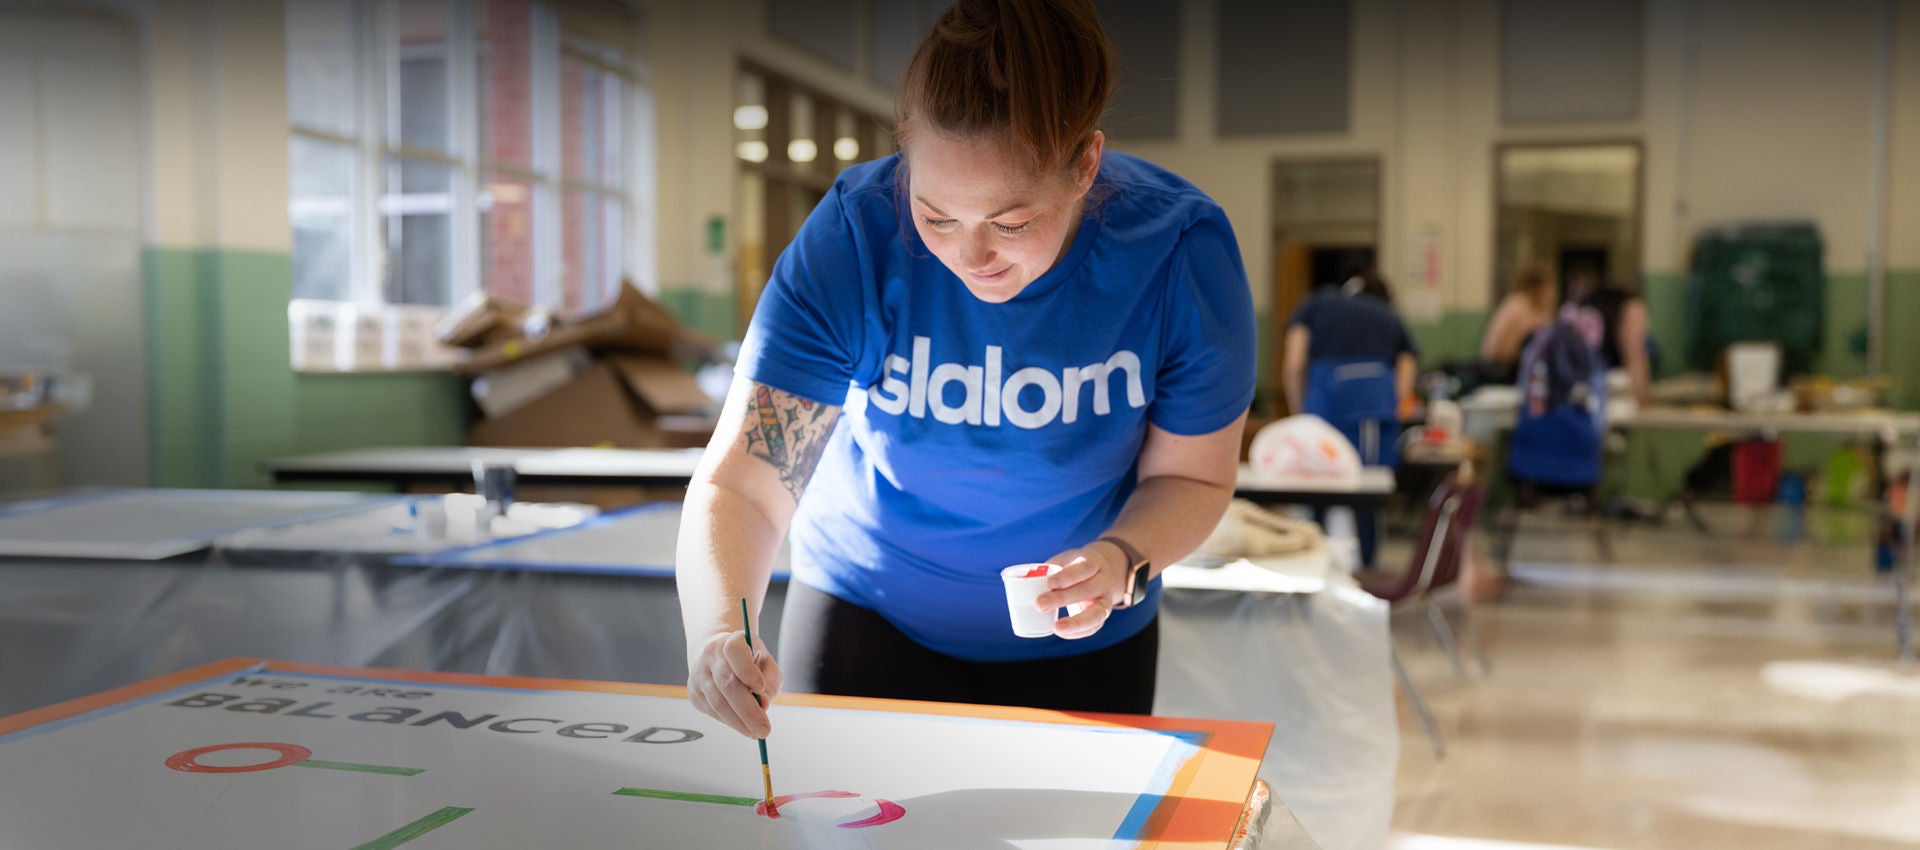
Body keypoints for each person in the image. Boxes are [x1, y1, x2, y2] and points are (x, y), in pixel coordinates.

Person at [676, 0, 1255, 740]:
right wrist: (722, 631)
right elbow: (745, 484)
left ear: (1086, 165)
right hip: (867, 611)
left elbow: (1193, 478)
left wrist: (1121, 557)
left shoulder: (1180, 253)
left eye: (1011, 223)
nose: (969, 258)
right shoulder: (854, 238)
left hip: (1085, 636)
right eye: (935, 215)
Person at [1280, 269, 1417, 569]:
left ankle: (1314, 566)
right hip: (1368, 409)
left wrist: (1298, 411)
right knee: (1365, 493)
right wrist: (1395, 405)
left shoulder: (1314, 305)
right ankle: (1366, 572)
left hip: (1324, 406)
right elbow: (1406, 367)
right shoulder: (1386, 315)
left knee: (1317, 493)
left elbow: (1294, 363)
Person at [1561, 266, 1652, 406]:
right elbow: (1635, 358)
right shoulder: (1633, 308)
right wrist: (1643, 398)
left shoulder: (1579, 310)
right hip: (1610, 396)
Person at [1479, 266, 1557, 382]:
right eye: (1549, 288)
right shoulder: (1518, 304)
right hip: (1500, 368)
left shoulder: (1542, 311)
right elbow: (1495, 348)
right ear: (1538, 288)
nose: (1553, 293)